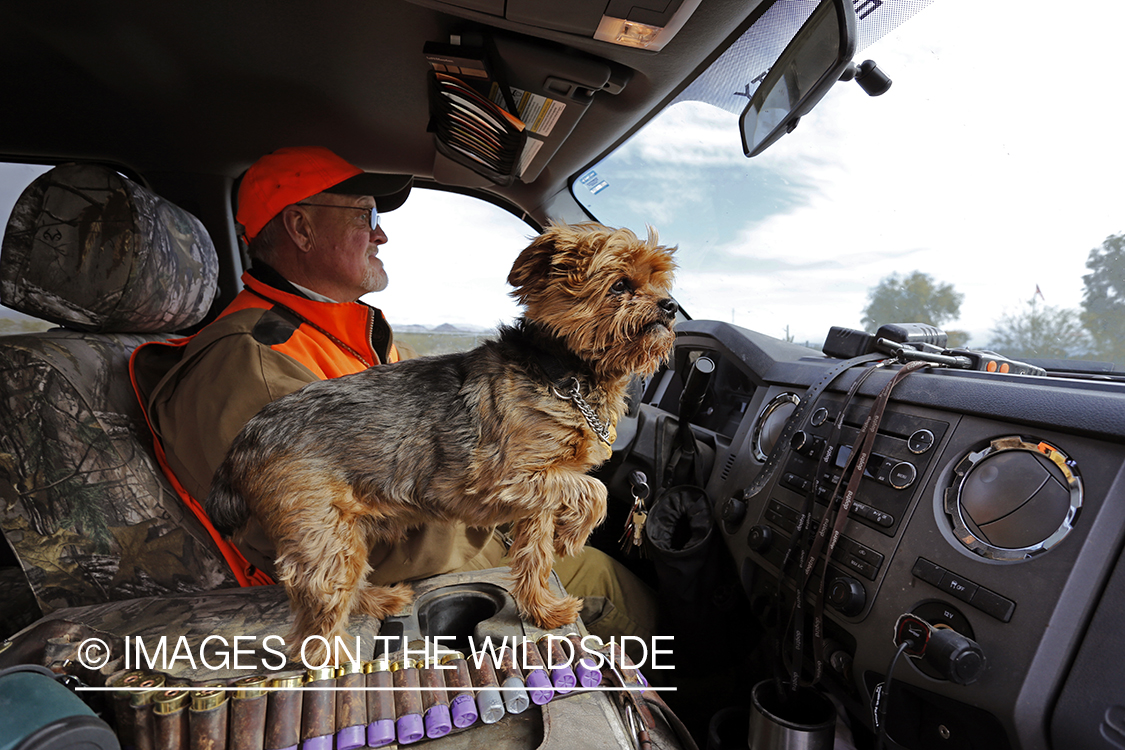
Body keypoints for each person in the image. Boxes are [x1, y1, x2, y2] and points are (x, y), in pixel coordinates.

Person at [131, 146, 656, 643]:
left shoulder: (352, 331)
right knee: (621, 592)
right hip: (427, 566)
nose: (381, 237)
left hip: (456, 535)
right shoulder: (250, 360)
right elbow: (297, 534)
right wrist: (514, 500)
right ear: (301, 227)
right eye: (365, 217)